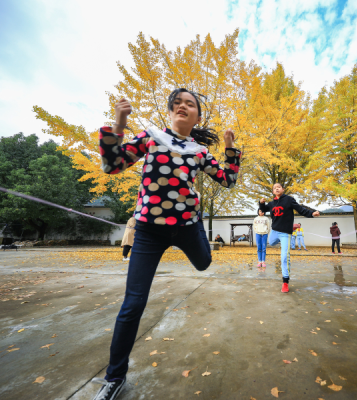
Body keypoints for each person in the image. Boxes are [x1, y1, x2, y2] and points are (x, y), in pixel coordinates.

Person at [93, 89, 240, 400]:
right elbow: (111, 165)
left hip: (187, 227)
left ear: (197, 116)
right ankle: (114, 377)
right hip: (149, 231)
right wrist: (118, 124)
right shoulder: (151, 137)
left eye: (190, 104)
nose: (182, 106)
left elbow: (228, 180)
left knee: (203, 263)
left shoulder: (199, 151)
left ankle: (197, 227)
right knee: (132, 306)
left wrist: (230, 149)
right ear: (172, 111)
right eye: (178, 102)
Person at [259, 183, 319, 293]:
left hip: (285, 233)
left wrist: (311, 214)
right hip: (274, 231)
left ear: (283, 189)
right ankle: (290, 228)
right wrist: (261, 203)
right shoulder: (272, 203)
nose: (276, 189)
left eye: (278, 187)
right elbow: (263, 210)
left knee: (284, 257)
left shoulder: (289, 200)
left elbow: (300, 209)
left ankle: (285, 282)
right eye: (274, 188)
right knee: (271, 243)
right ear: (273, 191)